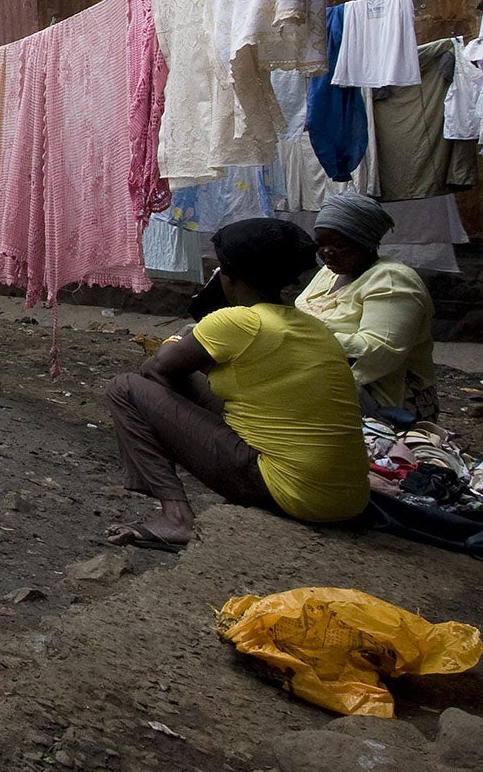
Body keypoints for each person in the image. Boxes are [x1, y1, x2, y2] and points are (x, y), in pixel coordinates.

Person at [104, 218, 367, 549]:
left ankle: (176, 517)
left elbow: (159, 367)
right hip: (347, 498)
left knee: (125, 387)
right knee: (176, 375)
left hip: (293, 492)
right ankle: (170, 499)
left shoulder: (239, 321)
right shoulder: (312, 326)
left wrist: (180, 337)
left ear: (227, 274)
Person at [295, 193, 438, 420]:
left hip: (386, 399)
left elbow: (379, 350)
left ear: (365, 241)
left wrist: (301, 334)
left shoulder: (391, 281)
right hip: (324, 377)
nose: (326, 253)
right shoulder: (329, 273)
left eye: (339, 244)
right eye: (320, 244)